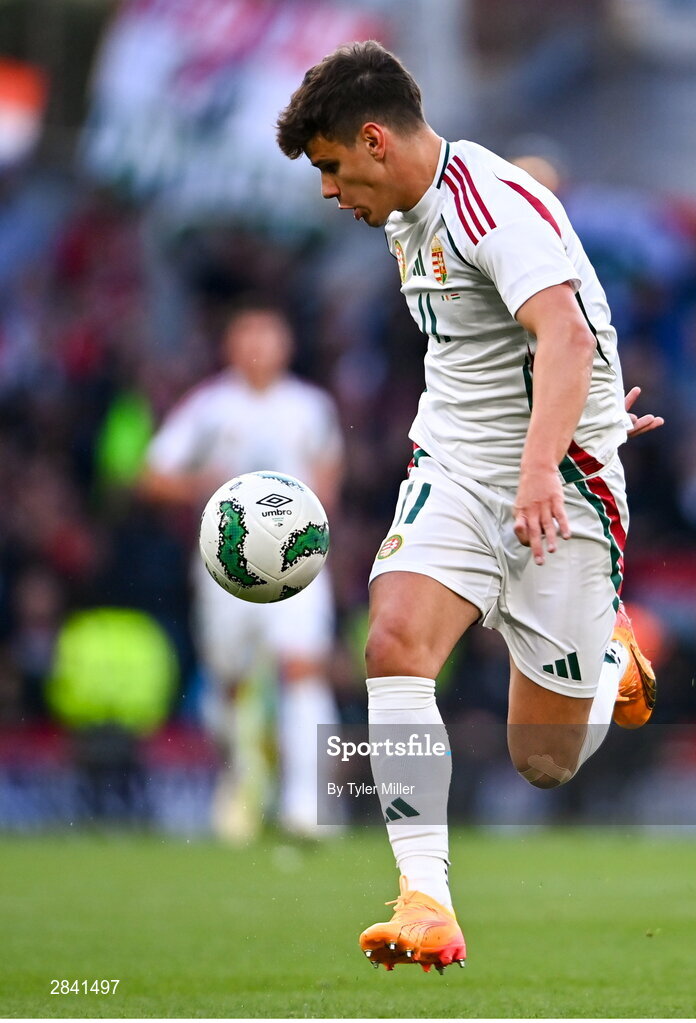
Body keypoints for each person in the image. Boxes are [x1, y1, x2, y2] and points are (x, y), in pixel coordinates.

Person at [276, 41, 663, 971]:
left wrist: (552, 462)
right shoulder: (405, 213)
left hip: (557, 483)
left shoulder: (489, 202)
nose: (331, 191)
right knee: (393, 640)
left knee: (545, 757)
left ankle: (608, 661)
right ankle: (426, 899)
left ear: (374, 140)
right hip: (453, 461)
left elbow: (564, 335)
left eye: (332, 166)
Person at [140, 302, 343, 840]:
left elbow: (328, 476)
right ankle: (242, 780)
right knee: (229, 681)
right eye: (247, 336)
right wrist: (206, 484)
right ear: (230, 346)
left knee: (301, 668)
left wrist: (298, 522)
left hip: (295, 560)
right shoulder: (209, 407)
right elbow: (153, 474)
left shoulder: (310, 406)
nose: (259, 348)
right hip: (224, 563)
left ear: (287, 345)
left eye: (269, 337)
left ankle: (308, 805)